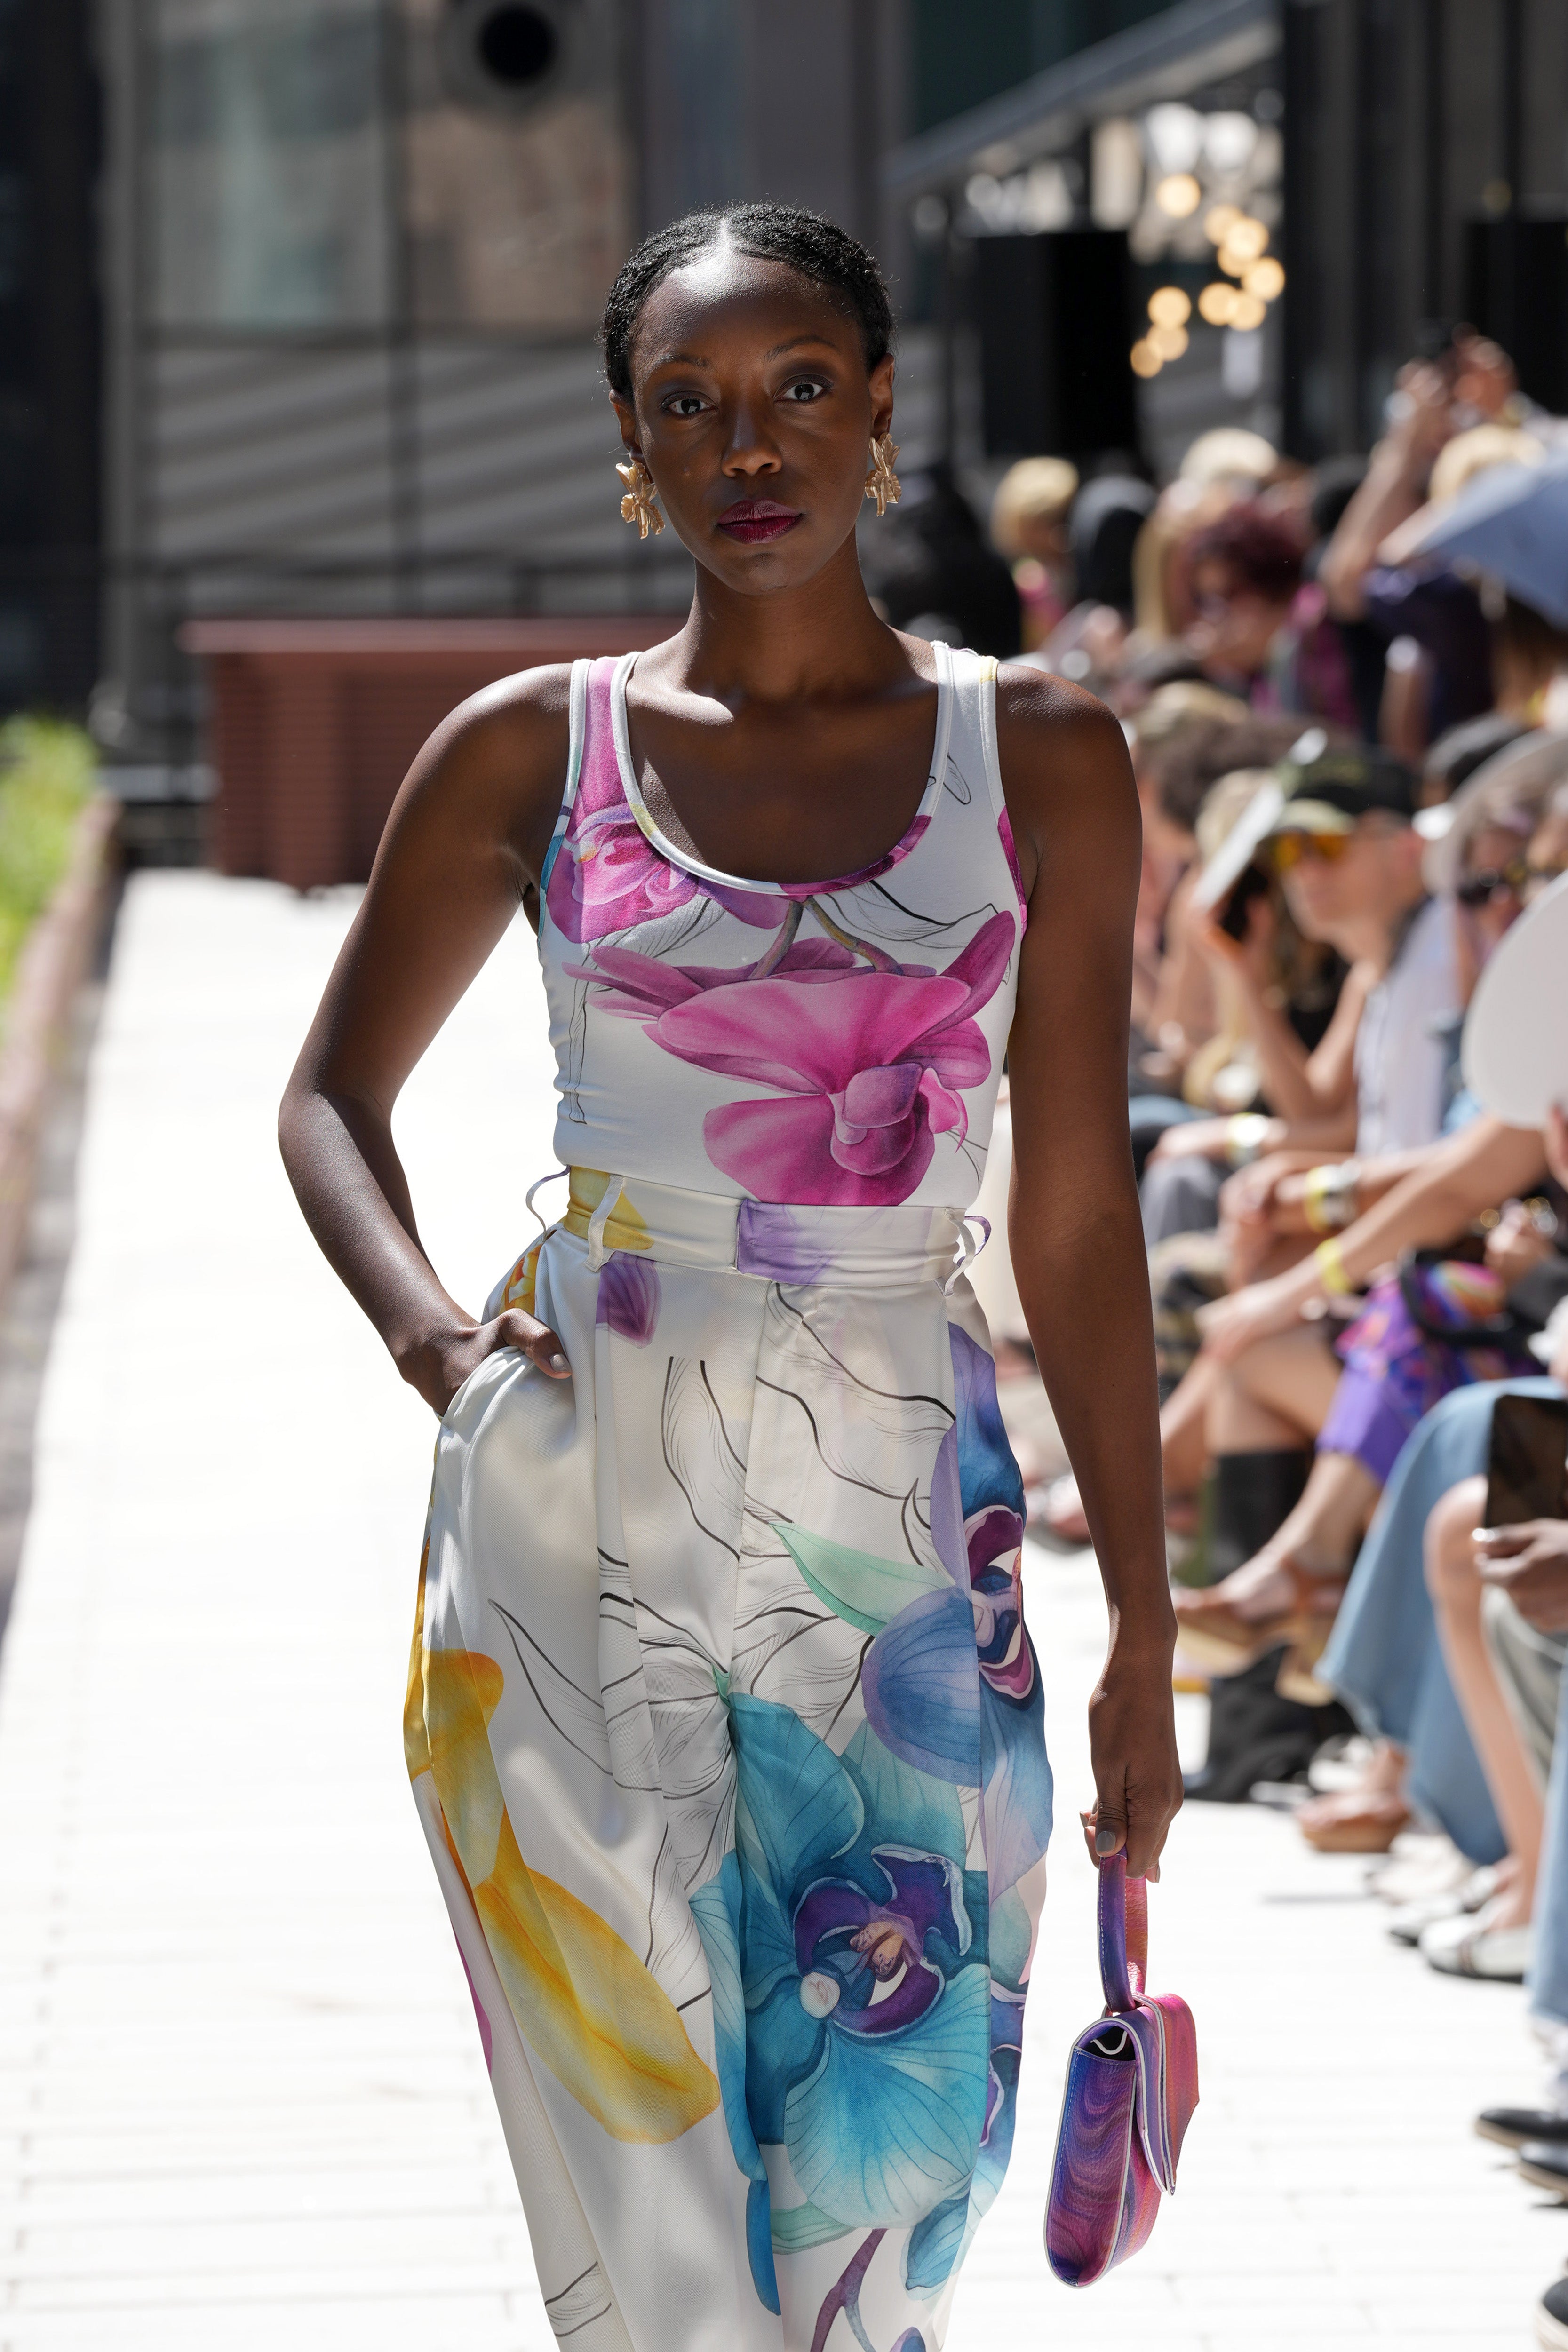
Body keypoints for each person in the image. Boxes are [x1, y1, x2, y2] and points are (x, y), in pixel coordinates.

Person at [277, 202, 1181, 2352]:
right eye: (685, 403)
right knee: (653, 2173)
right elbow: (328, 1101)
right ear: (631, 448)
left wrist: (1151, 1622)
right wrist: (442, 1348)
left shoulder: (1044, 757)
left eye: (796, 388)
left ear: (881, 413)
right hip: (576, 1508)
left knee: (893, 2171)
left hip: (903, 1517)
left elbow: (1074, 1217)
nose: (745, 443)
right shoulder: (534, 749)